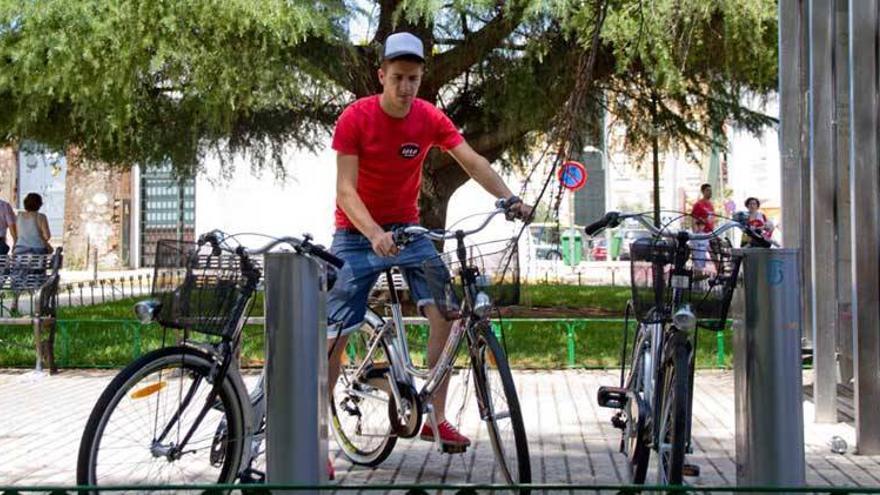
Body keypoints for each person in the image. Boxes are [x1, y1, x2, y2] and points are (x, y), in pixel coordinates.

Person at [326, 31, 532, 475]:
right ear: (381, 75)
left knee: (448, 313)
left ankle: (434, 418)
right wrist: (374, 232)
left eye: (414, 78)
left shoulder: (429, 118)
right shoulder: (355, 119)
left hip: (410, 230)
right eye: (397, 77)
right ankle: (316, 439)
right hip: (357, 232)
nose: (405, 87)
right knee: (334, 334)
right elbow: (345, 191)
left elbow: (473, 161)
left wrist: (510, 199)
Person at [690, 183, 715, 269]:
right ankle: (698, 273)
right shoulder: (699, 204)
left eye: (711, 190)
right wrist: (696, 233)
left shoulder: (711, 204)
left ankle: (720, 273)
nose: (710, 192)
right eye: (708, 190)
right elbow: (693, 218)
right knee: (699, 258)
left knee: (714, 254)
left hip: (710, 233)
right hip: (701, 234)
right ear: (703, 192)